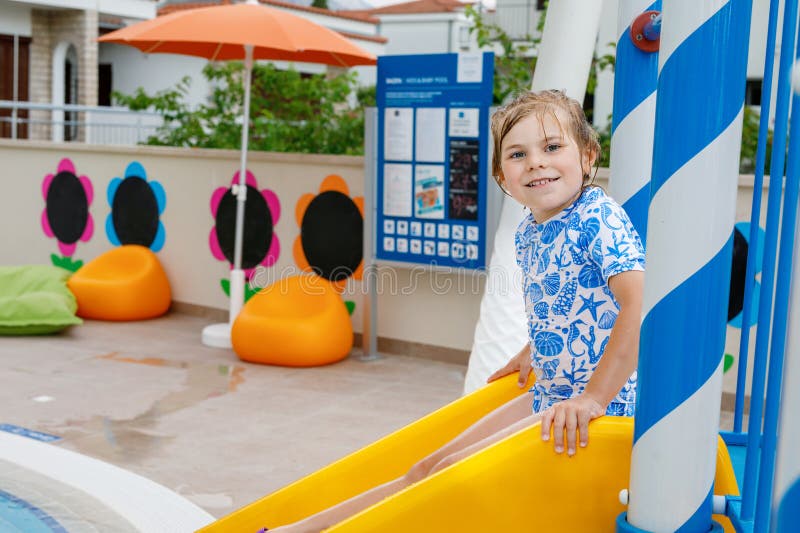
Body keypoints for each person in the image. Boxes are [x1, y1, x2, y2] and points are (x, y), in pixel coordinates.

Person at [269, 90, 645, 533]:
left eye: (552, 147)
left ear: (587, 156)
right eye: (518, 153)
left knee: (447, 481)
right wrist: (536, 347)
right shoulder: (529, 231)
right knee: (430, 466)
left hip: (597, 410)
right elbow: (574, 302)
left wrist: (593, 398)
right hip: (552, 394)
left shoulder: (597, 216)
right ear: (502, 176)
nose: (536, 163)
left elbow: (639, 306)